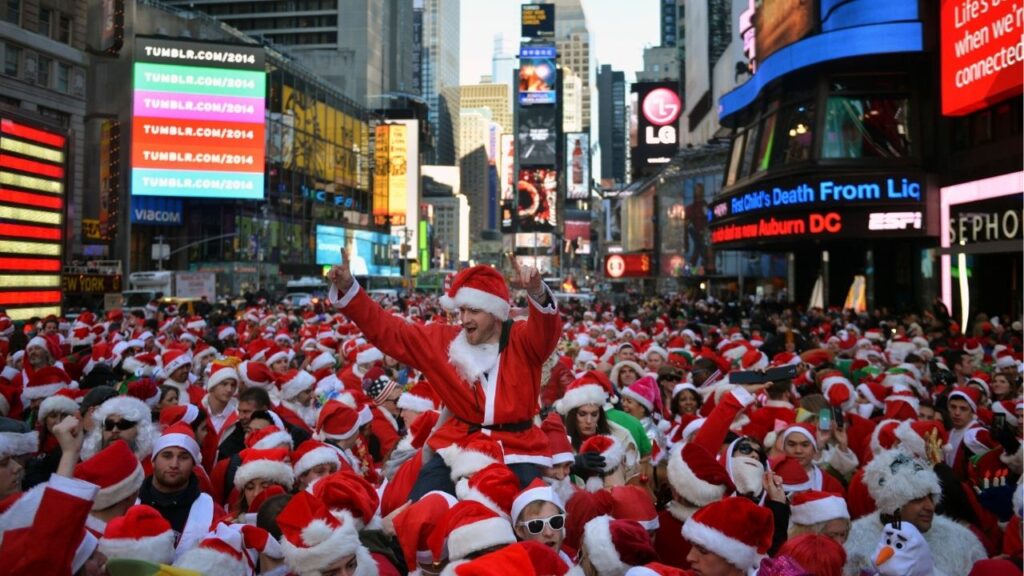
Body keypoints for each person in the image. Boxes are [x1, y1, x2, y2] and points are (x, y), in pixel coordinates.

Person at [327, 253, 561, 494]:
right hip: (460, 444)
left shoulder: (523, 339)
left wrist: (538, 292)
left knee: (529, 511)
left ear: (494, 312)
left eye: (474, 311)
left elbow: (547, 330)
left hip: (517, 449)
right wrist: (350, 289)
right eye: (462, 311)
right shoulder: (442, 341)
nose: (465, 319)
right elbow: (389, 331)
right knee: (423, 501)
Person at [843, 448, 986, 576]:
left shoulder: (962, 541)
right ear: (893, 504)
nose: (930, 506)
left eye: (931, 496)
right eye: (918, 499)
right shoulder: (854, 543)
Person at [138, 422, 223, 560]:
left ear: (194, 463)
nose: (174, 464)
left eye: (183, 457)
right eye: (167, 456)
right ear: (153, 461)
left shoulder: (211, 510)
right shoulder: (130, 502)